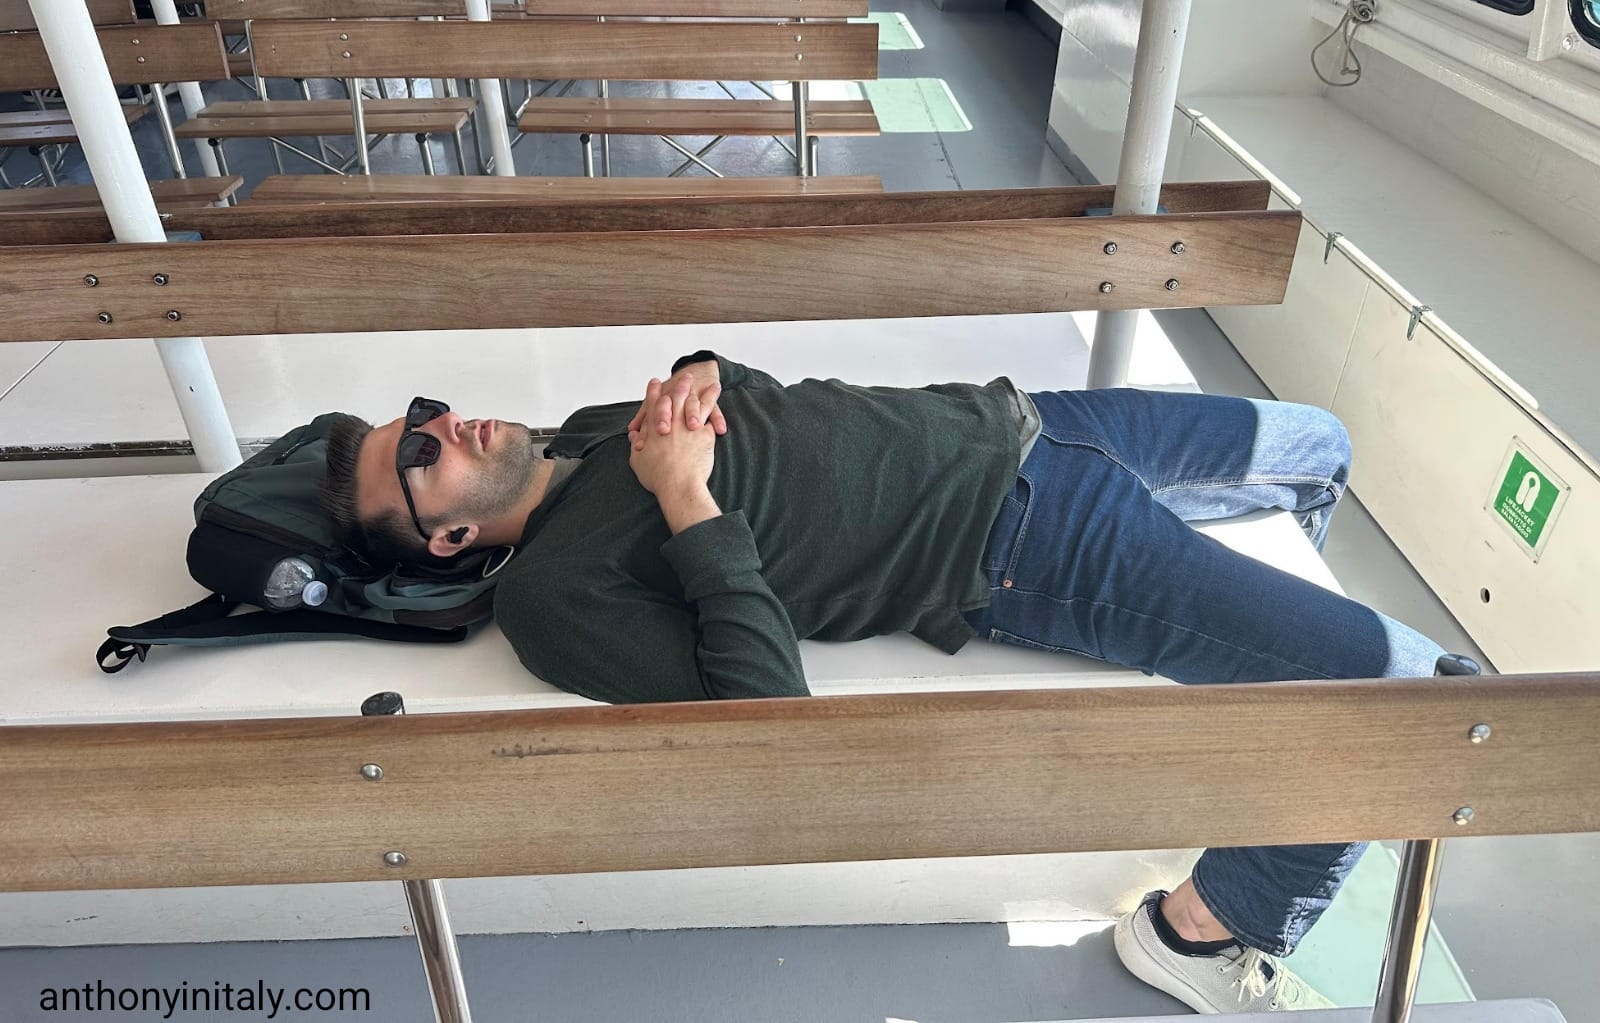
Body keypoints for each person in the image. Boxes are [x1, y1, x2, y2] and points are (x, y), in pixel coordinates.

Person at [320, 351, 1446, 1014]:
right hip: (1015, 537)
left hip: (1020, 420)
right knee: (1390, 688)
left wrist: (707, 371)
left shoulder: (581, 430)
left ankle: (1254, 650)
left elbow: (755, 408)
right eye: (419, 459)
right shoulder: (551, 595)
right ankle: (1207, 927)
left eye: (419, 416)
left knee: (1316, 442)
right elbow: (765, 717)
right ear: (451, 535)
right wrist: (683, 496)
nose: (439, 427)